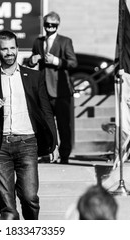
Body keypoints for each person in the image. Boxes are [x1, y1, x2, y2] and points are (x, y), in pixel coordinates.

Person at [0, 30, 57, 220]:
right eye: (4, 49)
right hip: (0, 147)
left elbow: (46, 111)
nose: (9, 53)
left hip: (27, 143)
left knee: (30, 197)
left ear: (17, 49)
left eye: (12, 48)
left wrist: (54, 143)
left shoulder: (34, 77)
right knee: (8, 209)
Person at [28, 11, 77, 164]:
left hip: (60, 90)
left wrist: (56, 61)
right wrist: (32, 60)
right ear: (44, 25)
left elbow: (73, 63)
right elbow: (31, 61)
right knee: (43, 124)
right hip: (43, 89)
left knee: (63, 125)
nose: (50, 28)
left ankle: (64, 155)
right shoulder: (38, 41)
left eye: (53, 25)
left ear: (58, 26)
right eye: (47, 25)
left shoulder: (65, 41)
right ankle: (46, 152)